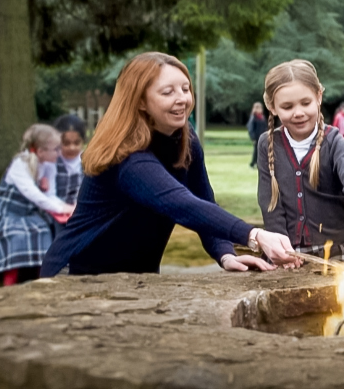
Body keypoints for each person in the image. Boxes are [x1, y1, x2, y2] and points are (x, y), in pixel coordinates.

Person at [42, 52, 299, 276]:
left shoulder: (185, 139)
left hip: (135, 278)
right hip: (74, 273)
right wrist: (255, 235)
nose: (182, 99)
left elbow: (204, 202)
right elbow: (180, 203)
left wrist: (225, 253)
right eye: (168, 92)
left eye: (186, 89)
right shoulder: (127, 155)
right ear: (140, 101)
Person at [257, 59, 344, 262]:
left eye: (306, 103)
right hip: (287, 254)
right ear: (272, 106)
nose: (299, 113)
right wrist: (279, 245)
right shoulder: (267, 144)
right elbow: (270, 201)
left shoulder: (334, 141)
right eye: (287, 106)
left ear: (318, 97)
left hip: (335, 254)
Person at [0, 124, 75, 285]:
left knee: (43, 231)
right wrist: (63, 208)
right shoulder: (21, 164)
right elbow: (35, 196)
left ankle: (42, 278)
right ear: (41, 151)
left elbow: (50, 195)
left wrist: (66, 208)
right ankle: (9, 283)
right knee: (18, 237)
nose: (59, 153)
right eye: (55, 149)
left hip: (29, 215)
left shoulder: (49, 166)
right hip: (9, 215)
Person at [52, 114, 87, 206]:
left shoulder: (87, 162)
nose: (72, 148)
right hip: (55, 209)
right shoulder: (52, 161)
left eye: (77, 143)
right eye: (66, 143)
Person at [247, 102, 266, 168]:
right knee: (256, 151)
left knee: (261, 151)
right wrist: (253, 138)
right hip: (256, 137)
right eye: (258, 108)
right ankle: (253, 163)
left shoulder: (262, 117)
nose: (260, 109)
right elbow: (250, 128)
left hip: (262, 137)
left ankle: (259, 164)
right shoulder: (253, 117)